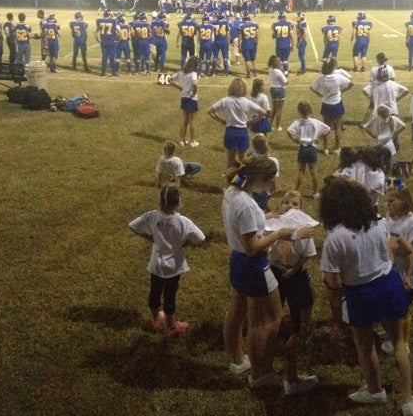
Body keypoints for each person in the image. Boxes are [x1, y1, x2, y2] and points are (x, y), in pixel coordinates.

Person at [318, 176, 413, 415]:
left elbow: (331, 281)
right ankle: (407, 399)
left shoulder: (336, 237)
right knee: (399, 343)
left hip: (359, 293)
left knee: (365, 346)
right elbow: (389, 249)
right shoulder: (378, 222)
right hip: (388, 284)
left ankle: (375, 390)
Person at [222, 157, 316, 388]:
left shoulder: (231, 193)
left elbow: (246, 230)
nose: (271, 186)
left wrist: (266, 219)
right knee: (267, 321)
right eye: (270, 181)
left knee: (237, 312)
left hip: (237, 261)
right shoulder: (245, 203)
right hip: (253, 265)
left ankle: (238, 361)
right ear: (259, 179)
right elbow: (253, 247)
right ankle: (260, 374)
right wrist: (280, 233)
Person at [129, 185, 206, 336]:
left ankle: (156, 319)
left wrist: (150, 238)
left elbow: (132, 225)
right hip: (173, 266)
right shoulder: (184, 221)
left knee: (155, 291)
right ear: (178, 202)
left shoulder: (152, 216)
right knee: (170, 295)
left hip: (156, 265)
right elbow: (201, 238)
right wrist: (184, 243)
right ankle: (171, 327)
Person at [265, 191, 320, 395]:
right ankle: (272, 351)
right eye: (286, 202)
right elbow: (268, 250)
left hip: (295, 277)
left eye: (294, 203)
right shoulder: (274, 228)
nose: (289, 205)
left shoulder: (303, 230)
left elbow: (307, 254)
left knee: (298, 317)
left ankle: (292, 373)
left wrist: (293, 269)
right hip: (276, 274)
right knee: (273, 315)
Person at [383, 189, 413, 352]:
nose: (388, 204)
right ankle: (395, 332)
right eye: (387, 201)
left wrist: (408, 275)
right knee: (395, 307)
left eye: (392, 200)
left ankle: (403, 342)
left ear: (404, 202)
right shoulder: (388, 218)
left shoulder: (412, 221)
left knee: (403, 310)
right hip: (394, 271)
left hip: (408, 273)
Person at [207, 78, 269, 168]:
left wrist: (220, 120)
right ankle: (241, 179)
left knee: (230, 160)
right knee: (243, 159)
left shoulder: (225, 100)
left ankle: (230, 178)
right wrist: (251, 122)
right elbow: (263, 112)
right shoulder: (246, 102)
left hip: (230, 132)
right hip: (242, 132)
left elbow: (209, 111)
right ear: (244, 88)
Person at [286, 101, 332, 199]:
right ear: (310, 110)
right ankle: (315, 192)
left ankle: (295, 191)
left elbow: (289, 131)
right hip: (312, 149)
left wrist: (295, 140)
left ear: (299, 111)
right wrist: (319, 138)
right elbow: (327, 129)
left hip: (303, 149)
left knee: (301, 171)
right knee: (313, 171)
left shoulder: (297, 122)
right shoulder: (315, 122)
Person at [310, 57, 353, 154]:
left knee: (326, 127)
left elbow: (312, 88)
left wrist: (321, 95)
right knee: (337, 127)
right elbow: (351, 83)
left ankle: (325, 148)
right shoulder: (338, 77)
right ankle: (337, 148)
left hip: (326, 104)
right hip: (337, 104)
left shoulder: (321, 78)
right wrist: (342, 91)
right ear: (333, 68)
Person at [363, 106, 406, 173]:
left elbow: (365, 127)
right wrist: (374, 136)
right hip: (383, 142)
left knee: (386, 157)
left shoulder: (391, 119)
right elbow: (403, 126)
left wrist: (374, 136)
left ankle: (388, 170)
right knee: (386, 157)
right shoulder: (377, 119)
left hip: (385, 142)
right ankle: (387, 169)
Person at [170, 55, 200, 147]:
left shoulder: (181, 72)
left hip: (184, 98)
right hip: (192, 99)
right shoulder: (193, 74)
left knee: (185, 120)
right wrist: (194, 91)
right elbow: (194, 84)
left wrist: (180, 88)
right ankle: (192, 141)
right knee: (192, 121)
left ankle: (182, 141)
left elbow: (170, 79)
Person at [266, 55, 288, 131]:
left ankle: (270, 125)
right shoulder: (278, 71)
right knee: (279, 109)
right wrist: (282, 70)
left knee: (274, 109)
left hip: (272, 89)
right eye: (278, 61)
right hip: (280, 90)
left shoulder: (270, 69)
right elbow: (285, 81)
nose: (280, 62)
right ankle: (278, 126)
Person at [238, 13, 259, 78]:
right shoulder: (255, 25)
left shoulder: (241, 26)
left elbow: (240, 38)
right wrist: (256, 43)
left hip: (245, 44)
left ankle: (249, 73)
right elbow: (257, 36)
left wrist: (239, 47)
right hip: (253, 43)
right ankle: (254, 72)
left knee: (247, 60)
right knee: (253, 59)